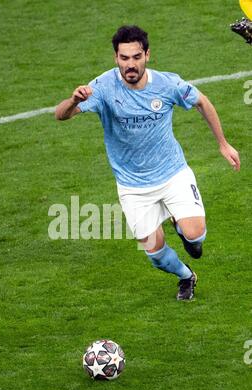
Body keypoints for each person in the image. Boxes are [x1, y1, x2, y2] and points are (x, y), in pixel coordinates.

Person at [55, 25, 240, 301]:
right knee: (155, 253)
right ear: (116, 58)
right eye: (124, 58)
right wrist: (73, 100)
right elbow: (60, 115)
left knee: (196, 236)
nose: (131, 64)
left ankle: (182, 228)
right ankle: (186, 276)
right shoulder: (102, 87)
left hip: (173, 174)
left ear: (147, 55)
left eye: (136, 57)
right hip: (133, 186)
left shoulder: (167, 84)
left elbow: (202, 101)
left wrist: (223, 143)